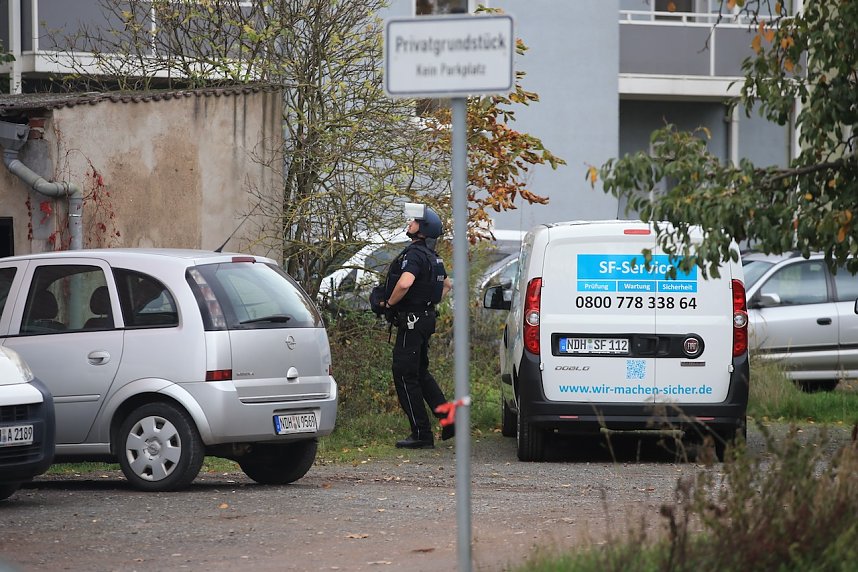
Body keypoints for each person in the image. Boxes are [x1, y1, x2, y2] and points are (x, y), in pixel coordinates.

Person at [379, 203, 454, 449]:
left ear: (423, 229)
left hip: (411, 322)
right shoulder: (434, 257)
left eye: (414, 222)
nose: (409, 223)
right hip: (425, 319)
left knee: (404, 374)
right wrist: (427, 303)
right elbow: (447, 285)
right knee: (420, 371)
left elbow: (404, 283)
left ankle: (421, 433)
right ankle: (448, 417)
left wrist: (390, 304)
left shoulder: (414, 255)